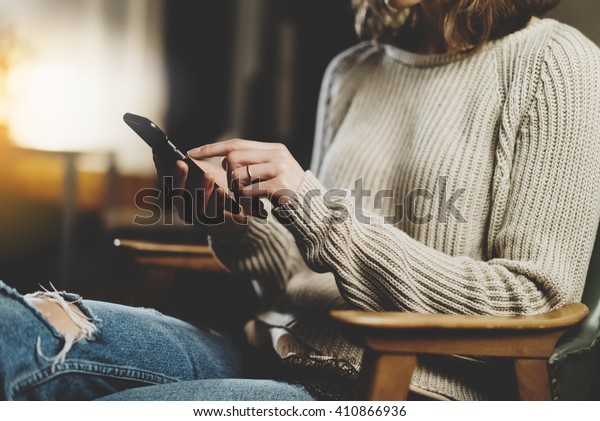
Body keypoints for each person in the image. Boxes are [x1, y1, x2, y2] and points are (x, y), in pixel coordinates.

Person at [2, 0, 599, 400]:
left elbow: (531, 301)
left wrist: (313, 202)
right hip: (266, 351)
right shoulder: (353, 70)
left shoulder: (558, 64)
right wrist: (235, 226)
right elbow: (294, 268)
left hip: (392, 389)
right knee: (26, 321)